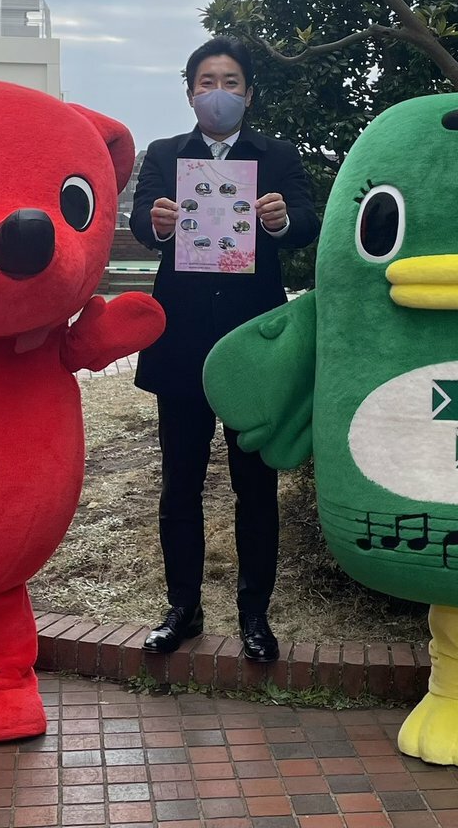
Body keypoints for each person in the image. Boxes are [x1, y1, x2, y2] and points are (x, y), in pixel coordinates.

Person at [129, 37, 320, 661]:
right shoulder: (165, 155)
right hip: (182, 339)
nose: (218, 92)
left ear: (249, 93)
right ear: (190, 92)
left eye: (230, 82)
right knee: (179, 483)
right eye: (207, 81)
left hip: (252, 345)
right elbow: (140, 221)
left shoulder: (277, 157)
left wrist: (281, 221)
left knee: (254, 487)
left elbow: (310, 223)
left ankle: (255, 615)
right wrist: (156, 224)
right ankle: (182, 608)